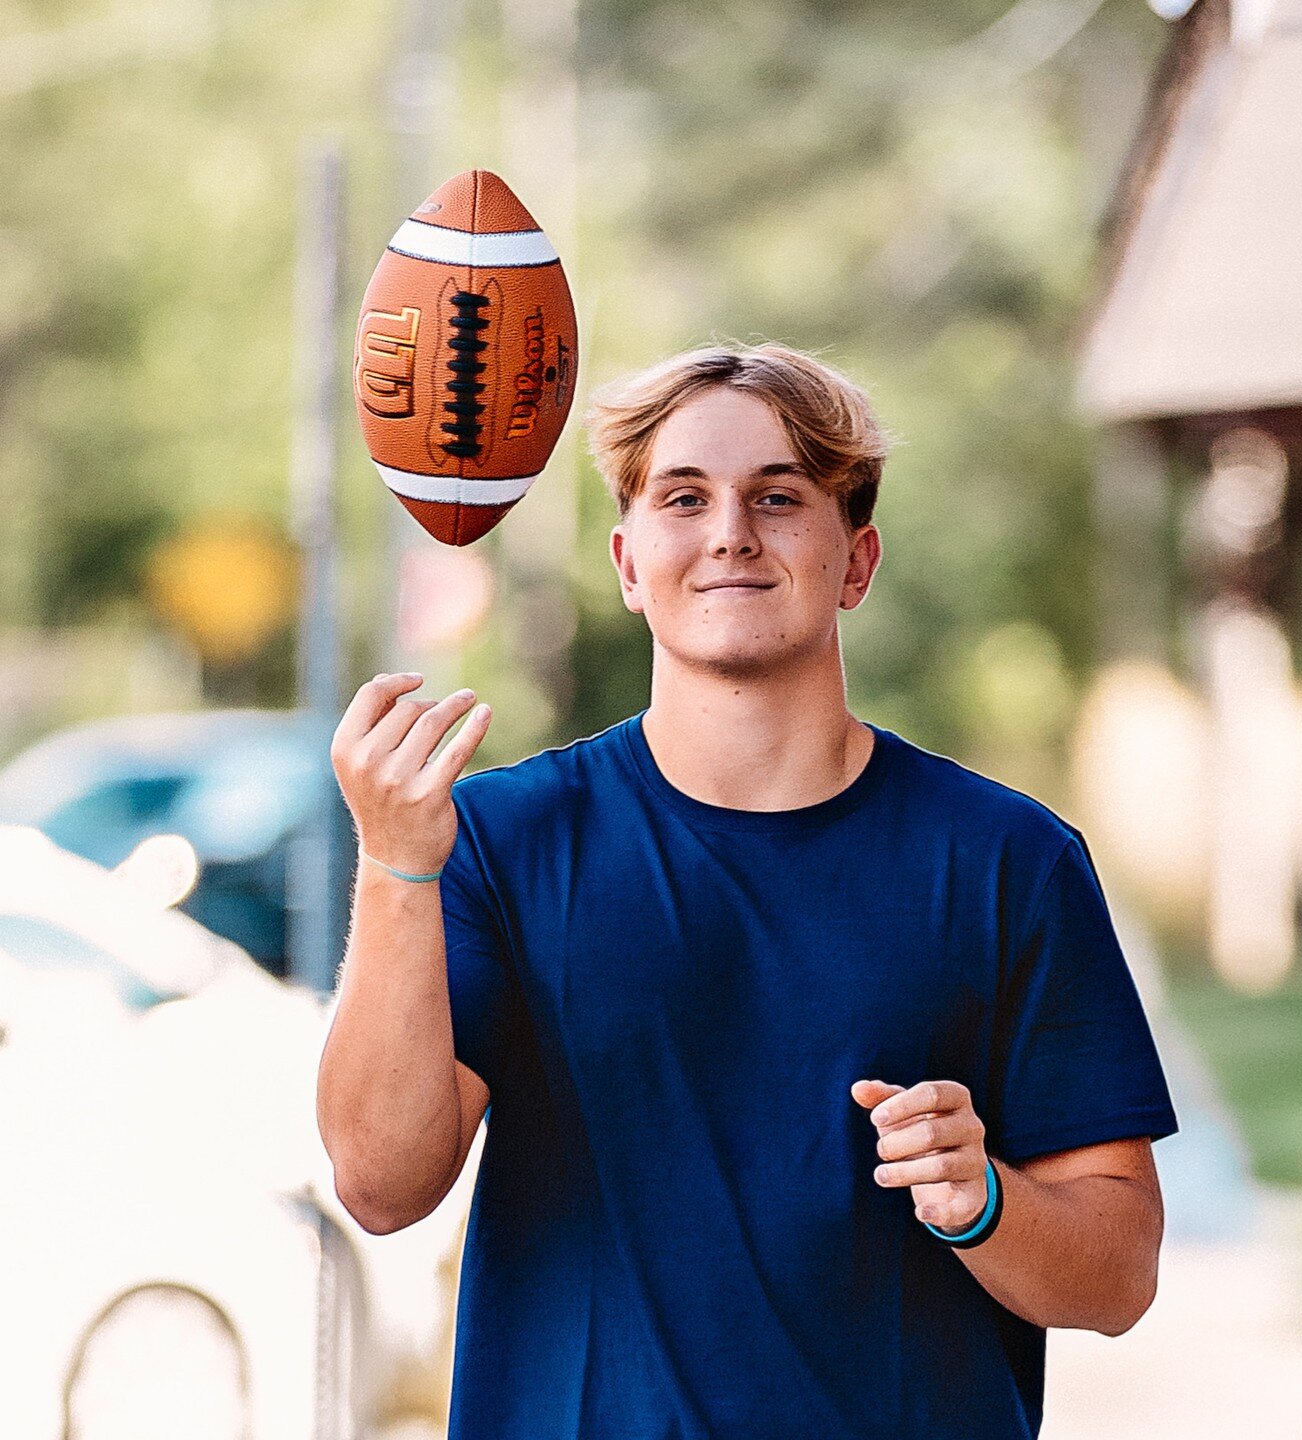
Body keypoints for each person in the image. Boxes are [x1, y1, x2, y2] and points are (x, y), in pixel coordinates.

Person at [318, 341, 1180, 1440]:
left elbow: (1119, 1276)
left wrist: (986, 1200)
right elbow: (381, 1186)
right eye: (686, 498)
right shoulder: (497, 841)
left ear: (856, 563)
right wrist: (396, 862)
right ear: (629, 563)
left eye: (778, 497)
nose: (730, 531)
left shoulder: (1008, 861)